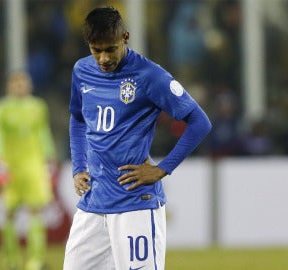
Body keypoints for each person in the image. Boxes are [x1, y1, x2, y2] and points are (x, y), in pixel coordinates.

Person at [63, 6, 212, 270]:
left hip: (135, 203)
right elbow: (77, 118)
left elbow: (200, 121)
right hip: (94, 202)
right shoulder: (81, 71)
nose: (103, 58)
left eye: (110, 49)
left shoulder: (149, 75)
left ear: (125, 38)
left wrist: (162, 169)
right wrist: (78, 167)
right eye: (96, 50)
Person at [0, 71, 58, 270]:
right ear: (9, 87)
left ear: (30, 85)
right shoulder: (0, 108)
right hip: (11, 167)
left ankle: (36, 260)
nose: (20, 87)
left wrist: (49, 158)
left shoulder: (38, 107)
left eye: (23, 83)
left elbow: (43, 132)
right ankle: (11, 260)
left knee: (36, 210)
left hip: (34, 166)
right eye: (16, 84)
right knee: (9, 212)